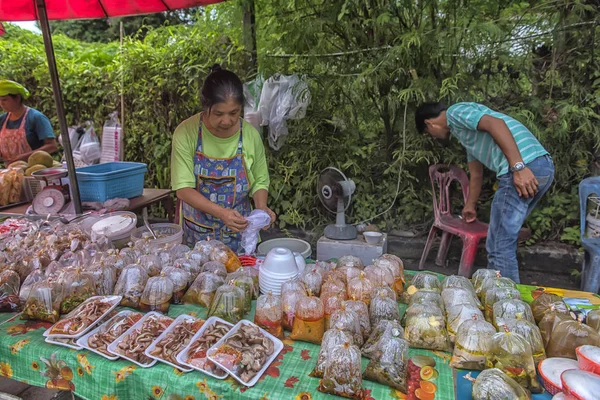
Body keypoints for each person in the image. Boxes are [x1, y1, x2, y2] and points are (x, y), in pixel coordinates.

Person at [415, 102, 554, 282]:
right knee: (501, 239)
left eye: (428, 134)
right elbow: (476, 174)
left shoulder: (454, 113)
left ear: (429, 124)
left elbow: (496, 124)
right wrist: (470, 205)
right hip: (540, 166)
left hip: (525, 166)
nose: (433, 138)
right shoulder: (466, 135)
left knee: (499, 244)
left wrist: (518, 167)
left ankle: (506, 302)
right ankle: (506, 298)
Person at [171, 65, 276, 251]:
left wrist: (261, 208)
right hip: (197, 235)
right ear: (205, 106)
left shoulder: (250, 135)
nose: (226, 121)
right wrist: (222, 213)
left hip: (239, 235)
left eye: (234, 113)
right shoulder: (186, 133)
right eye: (219, 113)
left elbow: (260, 180)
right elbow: (183, 189)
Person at [0, 80, 57, 165]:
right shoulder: (2, 120)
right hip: (12, 173)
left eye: (5, 100)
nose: (1, 104)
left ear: (17, 98)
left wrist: (24, 156)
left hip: (35, 170)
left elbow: (52, 146)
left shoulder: (36, 117)